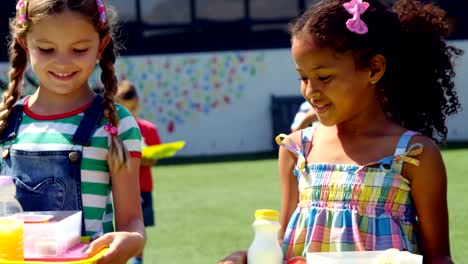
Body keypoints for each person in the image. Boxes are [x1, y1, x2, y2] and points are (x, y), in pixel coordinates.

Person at [218, 0, 463, 263]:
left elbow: (439, 258)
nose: (310, 91)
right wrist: (243, 257)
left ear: (374, 69)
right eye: (302, 77)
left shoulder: (414, 155)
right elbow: (282, 248)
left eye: (323, 77)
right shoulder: (296, 149)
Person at [0, 0, 146, 263]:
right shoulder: (6, 122)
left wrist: (131, 240)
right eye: (46, 49)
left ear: (101, 46)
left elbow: (132, 221)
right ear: (25, 45)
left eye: (79, 49)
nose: (63, 63)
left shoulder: (114, 125)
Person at [116, 80, 162, 264]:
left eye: (133, 108)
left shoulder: (148, 129)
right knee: (118, 227)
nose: (130, 113)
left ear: (138, 103)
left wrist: (139, 158)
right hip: (117, 189)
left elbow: (154, 158)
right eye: (124, 108)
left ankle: (138, 260)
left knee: (140, 228)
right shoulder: (111, 129)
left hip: (142, 187)